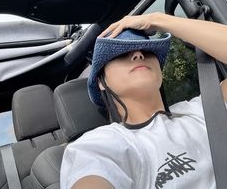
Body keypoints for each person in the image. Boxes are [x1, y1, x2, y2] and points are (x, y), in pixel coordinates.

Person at [61, 12, 227, 189]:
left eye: (147, 51)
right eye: (120, 54)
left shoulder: (204, 109)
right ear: (101, 82)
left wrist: (156, 19)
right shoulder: (97, 146)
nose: (138, 54)